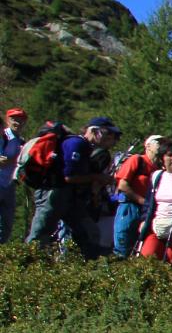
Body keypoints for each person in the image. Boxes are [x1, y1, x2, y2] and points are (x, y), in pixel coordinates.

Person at [26, 116, 119, 258]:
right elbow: (69, 177)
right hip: (53, 193)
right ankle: (26, 265)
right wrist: (98, 178)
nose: (109, 139)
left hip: (69, 196)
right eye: (107, 134)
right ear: (95, 131)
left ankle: (86, 266)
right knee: (40, 234)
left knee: (89, 232)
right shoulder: (77, 144)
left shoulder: (85, 147)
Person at [112, 135, 159, 257]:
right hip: (129, 208)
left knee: (139, 247)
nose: (162, 145)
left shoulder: (159, 168)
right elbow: (122, 184)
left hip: (147, 212)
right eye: (159, 142)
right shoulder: (137, 160)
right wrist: (142, 201)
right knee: (123, 246)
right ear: (148, 146)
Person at [0, 107, 28, 244]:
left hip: (9, 185)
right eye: (14, 119)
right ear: (7, 120)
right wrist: (20, 157)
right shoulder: (3, 136)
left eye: (21, 119)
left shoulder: (21, 141)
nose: (17, 122)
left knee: (7, 223)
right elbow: (1, 161)